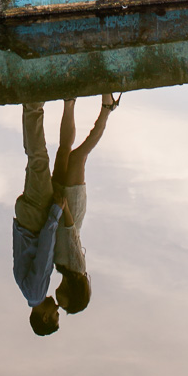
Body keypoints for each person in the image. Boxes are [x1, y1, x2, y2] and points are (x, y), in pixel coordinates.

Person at [51, 94, 121, 317]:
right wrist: (65, 207)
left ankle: (69, 101)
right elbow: (71, 236)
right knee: (78, 156)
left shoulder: (60, 268)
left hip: (62, 208)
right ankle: (107, 109)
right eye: (65, 305)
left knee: (64, 151)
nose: (59, 305)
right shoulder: (77, 269)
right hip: (71, 207)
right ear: (73, 295)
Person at [12, 103, 71, 336]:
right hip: (25, 217)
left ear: (45, 317)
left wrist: (56, 212)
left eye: (55, 316)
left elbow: (45, 251)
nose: (57, 309)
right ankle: (30, 108)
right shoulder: (25, 290)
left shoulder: (36, 291)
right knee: (33, 160)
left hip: (36, 218)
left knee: (39, 159)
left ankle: (33, 105)